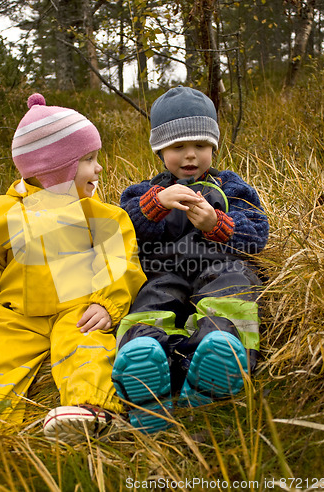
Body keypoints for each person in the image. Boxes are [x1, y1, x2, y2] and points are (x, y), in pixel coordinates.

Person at [0, 93, 146, 442]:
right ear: (55, 170)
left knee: (87, 345)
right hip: (17, 314)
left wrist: (106, 303)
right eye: (89, 160)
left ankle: (92, 409)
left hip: (77, 308)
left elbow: (120, 263)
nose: (99, 168)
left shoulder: (101, 215)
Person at [112, 86, 269, 433]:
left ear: (213, 146)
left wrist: (219, 224)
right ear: (160, 150)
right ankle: (146, 359)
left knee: (233, 289)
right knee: (152, 299)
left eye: (200, 145)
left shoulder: (231, 187)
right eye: (178, 147)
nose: (190, 156)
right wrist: (154, 206)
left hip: (220, 263)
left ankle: (220, 353)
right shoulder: (144, 192)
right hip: (162, 268)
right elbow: (121, 230)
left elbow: (257, 234)